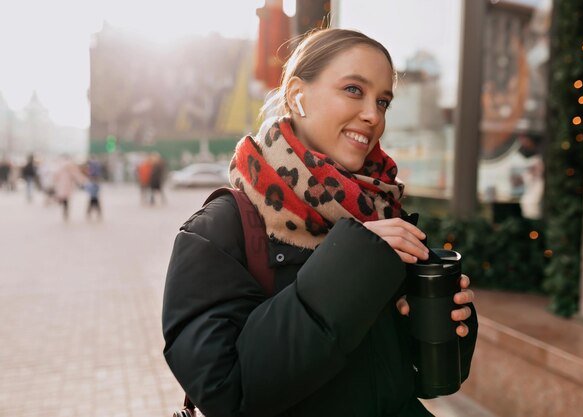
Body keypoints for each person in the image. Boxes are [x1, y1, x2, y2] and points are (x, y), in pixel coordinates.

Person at [162, 28, 477, 417]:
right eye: (353, 90)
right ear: (297, 95)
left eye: (383, 101)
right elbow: (229, 391)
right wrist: (352, 261)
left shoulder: (380, 207)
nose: (372, 115)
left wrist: (447, 328)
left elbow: (416, 383)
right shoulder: (217, 231)